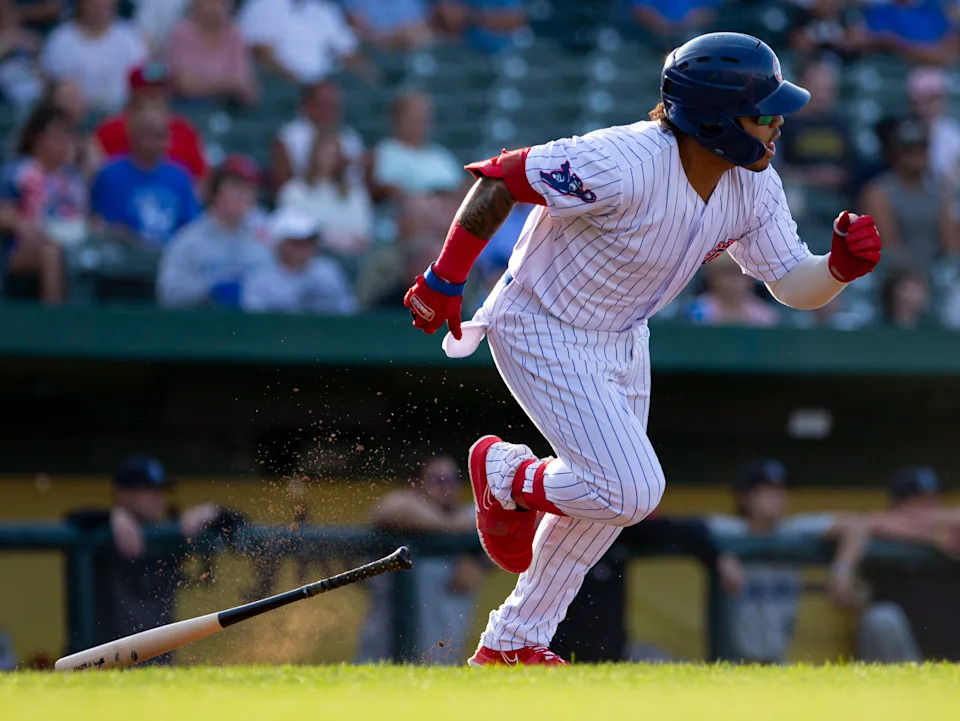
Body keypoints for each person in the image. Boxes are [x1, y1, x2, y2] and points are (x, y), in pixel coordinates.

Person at [402, 32, 882, 666]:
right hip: (544, 320)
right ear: (713, 116)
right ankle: (508, 477)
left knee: (604, 506)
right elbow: (503, 179)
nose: (778, 123)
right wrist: (444, 278)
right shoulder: (627, 158)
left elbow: (791, 280)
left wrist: (838, 269)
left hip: (625, 334)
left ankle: (513, 642)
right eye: (764, 113)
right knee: (629, 489)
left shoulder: (753, 184)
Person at [707, 459, 879, 664]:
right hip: (731, 658)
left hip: (778, 656)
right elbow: (687, 531)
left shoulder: (794, 530)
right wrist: (720, 553)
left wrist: (841, 572)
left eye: (783, 491)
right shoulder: (724, 529)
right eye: (768, 491)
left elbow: (856, 526)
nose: (779, 498)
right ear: (745, 496)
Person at [64, 455, 229, 662]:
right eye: (147, 490)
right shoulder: (100, 529)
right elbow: (73, 518)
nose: (157, 497)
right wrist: (110, 516)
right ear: (121, 492)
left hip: (159, 663)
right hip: (106, 661)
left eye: (160, 490)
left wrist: (213, 511)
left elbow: (238, 523)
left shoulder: (171, 533)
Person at [355, 456, 486, 664]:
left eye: (453, 479)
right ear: (416, 484)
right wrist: (452, 530)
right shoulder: (403, 513)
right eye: (439, 480)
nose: (448, 487)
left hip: (441, 666)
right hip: (383, 660)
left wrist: (469, 552)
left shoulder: (469, 520)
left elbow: (486, 520)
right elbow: (395, 508)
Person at [157, 154, 270, 308]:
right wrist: (208, 291)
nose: (243, 195)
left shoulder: (264, 240)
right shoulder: (189, 240)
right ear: (215, 192)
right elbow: (168, 293)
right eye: (236, 186)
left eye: (249, 188)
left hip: (253, 326)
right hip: (202, 325)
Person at [0, 103, 82, 303]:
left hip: (72, 244)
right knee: (50, 253)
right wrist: (22, 225)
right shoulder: (17, 172)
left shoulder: (74, 179)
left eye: (67, 136)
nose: (63, 143)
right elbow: (4, 214)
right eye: (56, 136)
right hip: (21, 250)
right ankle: (54, 325)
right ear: (37, 138)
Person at [90, 104, 201, 247]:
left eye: (162, 135)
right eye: (151, 134)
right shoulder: (110, 175)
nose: (159, 142)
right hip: (126, 259)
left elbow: (190, 228)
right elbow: (105, 227)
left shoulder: (180, 176)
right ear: (134, 136)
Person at [858, 117, 956, 268]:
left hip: (938, 274)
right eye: (910, 149)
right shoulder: (877, 193)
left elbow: (952, 246)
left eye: (923, 147)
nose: (919, 155)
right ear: (895, 154)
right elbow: (888, 249)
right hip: (896, 277)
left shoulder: (940, 190)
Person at [93, 62, 208, 181]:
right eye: (149, 91)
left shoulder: (184, 130)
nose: (157, 96)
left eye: (161, 89)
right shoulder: (109, 130)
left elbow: (201, 178)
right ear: (134, 94)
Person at [40, 0, 148, 114]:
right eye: (94, 3)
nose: (101, 7)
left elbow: (142, 81)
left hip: (120, 113)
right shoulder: (60, 39)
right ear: (82, 4)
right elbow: (48, 82)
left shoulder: (130, 38)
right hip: (71, 116)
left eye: (106, 3)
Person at [241, 208, 356, 314]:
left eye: (309, 242)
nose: (305, 248)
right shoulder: (259, 280)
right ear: (280, 246)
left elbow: (347, 311)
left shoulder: (329, 271)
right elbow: (256, 324)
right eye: (297, 243)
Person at [275, 133, 373, 257]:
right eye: (324, 154)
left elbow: (363, 230)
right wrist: (328, 239)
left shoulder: (355, 193)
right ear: (314, 156)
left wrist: (344, 241)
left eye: (333, 155)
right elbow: (289, 229)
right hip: (310, 257)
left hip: (350, 255)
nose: (328, 161)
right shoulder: (294, 191)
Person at [777, 58, 855, 198]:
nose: (823, 95)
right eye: (817, 88)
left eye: (828, 89)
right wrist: (812, 176)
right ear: (801, 85)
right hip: (796, 195)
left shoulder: (841, 124)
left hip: (838, 194)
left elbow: (852, 166)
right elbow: (776, 169)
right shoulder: (783, 124)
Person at [270, 80, 364, 192]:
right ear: (306, 105)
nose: (329, 111)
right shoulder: (289, 137)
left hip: (342, 199)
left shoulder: (350, 137)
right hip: (303, 198)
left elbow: (358, 183)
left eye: (334, 106)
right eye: (323, 105)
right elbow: (283, 186)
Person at [238, 0, 360, 83]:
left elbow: (349, 53)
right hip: (282, 84)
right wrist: (299, 83)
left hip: (321, 87)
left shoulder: (323, 10)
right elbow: (262, 54)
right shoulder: (263, 5)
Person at [165, 0, 258, 107]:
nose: (216, 8)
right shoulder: (181, 33)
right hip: (188, 107)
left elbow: (245, 86)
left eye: (221, 3)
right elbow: (183, 84)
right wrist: (228, 85)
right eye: (209, 2)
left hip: (229, 107)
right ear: (196, 5)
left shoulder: (235, 34)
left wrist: (204, 83)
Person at [371, 91, 464, 199]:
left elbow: (459, 190)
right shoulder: (384, 152)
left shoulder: (441, 155)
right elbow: (389, 191)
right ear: (396, 117)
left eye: (423, 115)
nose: (419, 120)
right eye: (413, 115)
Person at [684, 253, 780, 327]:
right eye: (727, 274)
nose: (735, 281)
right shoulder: (695, 312)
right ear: (711, 276)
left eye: (742, 274)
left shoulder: (764, 316)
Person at [860, 0, 959, 66]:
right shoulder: (877, 10)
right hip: (884, 73)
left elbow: (945, 56)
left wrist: (896, 43)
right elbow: (855, 40)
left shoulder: (940, 7)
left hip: (932, 77)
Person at [907, 65, 960, 186]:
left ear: (943, 99)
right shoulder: (900, 133)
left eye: (932, 98)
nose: (925, 105)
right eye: (919, 98)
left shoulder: (955, 136)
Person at [0, 0, 44, 110]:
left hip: (33, 91)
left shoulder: (28, 37)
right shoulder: (8, 40)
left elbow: (41, 69)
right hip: (7, 97)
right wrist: (7, 44)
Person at [343, 0, 433, 50]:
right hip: (379, 57)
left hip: (419, 50)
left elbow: (428, 27)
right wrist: (396, 38)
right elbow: (358, 35)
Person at [879, 264, 931, 329]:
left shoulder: (930, 330)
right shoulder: (879, 332)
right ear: (896, 292)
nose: (922, 295)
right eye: (913, 290)